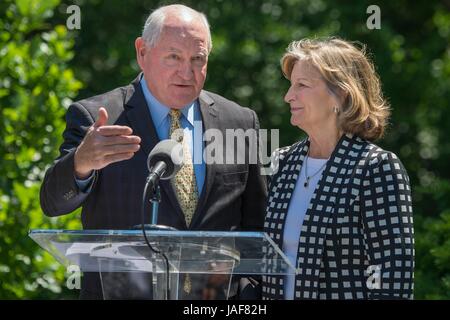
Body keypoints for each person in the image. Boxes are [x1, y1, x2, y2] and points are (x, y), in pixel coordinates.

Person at [40, 4, 267, 299]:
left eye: (198, 59)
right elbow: (52, 203)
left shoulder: (239, 122)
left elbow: (258, 227)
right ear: (142, 53)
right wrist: (81, 163)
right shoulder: (99, 117)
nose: (187, 72)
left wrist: (249, 296)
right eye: (173, 56)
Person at [262, 38, 414, 300]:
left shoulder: (375, 167)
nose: (288, 96)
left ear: (341, 94)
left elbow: (392, 277)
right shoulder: (281, 163)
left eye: (302, 85)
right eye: (291, 85)